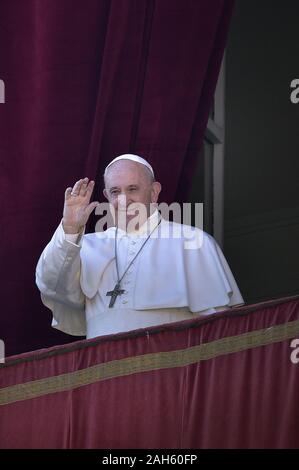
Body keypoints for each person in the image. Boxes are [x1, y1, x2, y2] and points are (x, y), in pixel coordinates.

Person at [36, 154, 244, 338]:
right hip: (103, 372)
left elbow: (221, 331)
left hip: (170, 372)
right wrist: (70, 228)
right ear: (107, 196)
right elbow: (52, 285)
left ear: (154, 192)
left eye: (132, 189)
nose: (123, 199)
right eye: (115, 191)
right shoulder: (86, 246)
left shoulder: (193, 242)